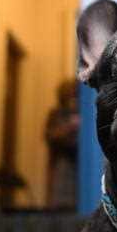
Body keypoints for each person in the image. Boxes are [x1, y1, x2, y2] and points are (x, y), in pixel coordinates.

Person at [45, 79, 79, 210]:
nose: (72, 99)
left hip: (79, 164)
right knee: (60, 203)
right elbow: (51, 136)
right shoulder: (57, 114)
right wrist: (70, 127)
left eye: (75, 95)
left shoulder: (85, 113)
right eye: (69, 95)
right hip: (62, 163)